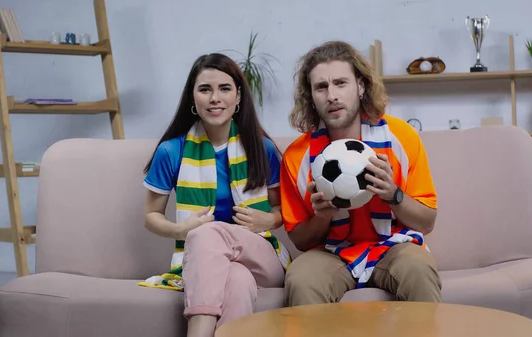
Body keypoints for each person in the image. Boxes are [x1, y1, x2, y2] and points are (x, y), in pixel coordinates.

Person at [280, 40, 441, 305]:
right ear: (311, 96)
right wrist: (322, 217)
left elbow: (427, 222)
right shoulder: (297, 156)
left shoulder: (401, 138)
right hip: (330, 253)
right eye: (321, 87)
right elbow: (299, 239)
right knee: (301, 279)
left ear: (361, 86)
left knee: (419, 270)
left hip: (394, 246)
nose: (332, 95)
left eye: (340, 83)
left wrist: (394, 195)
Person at [141, 53, 290, 337]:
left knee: (205, 234)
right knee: (237, 280)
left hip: (262, 255)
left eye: (224, 88)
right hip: (207, 263)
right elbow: (150, 216)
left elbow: (284, 209)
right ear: (193, 99)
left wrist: (269, 221)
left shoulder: (263, 148)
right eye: (205, 89)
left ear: (238, 98)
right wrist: (181, 228)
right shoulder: (172, 151)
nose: (215, 98)